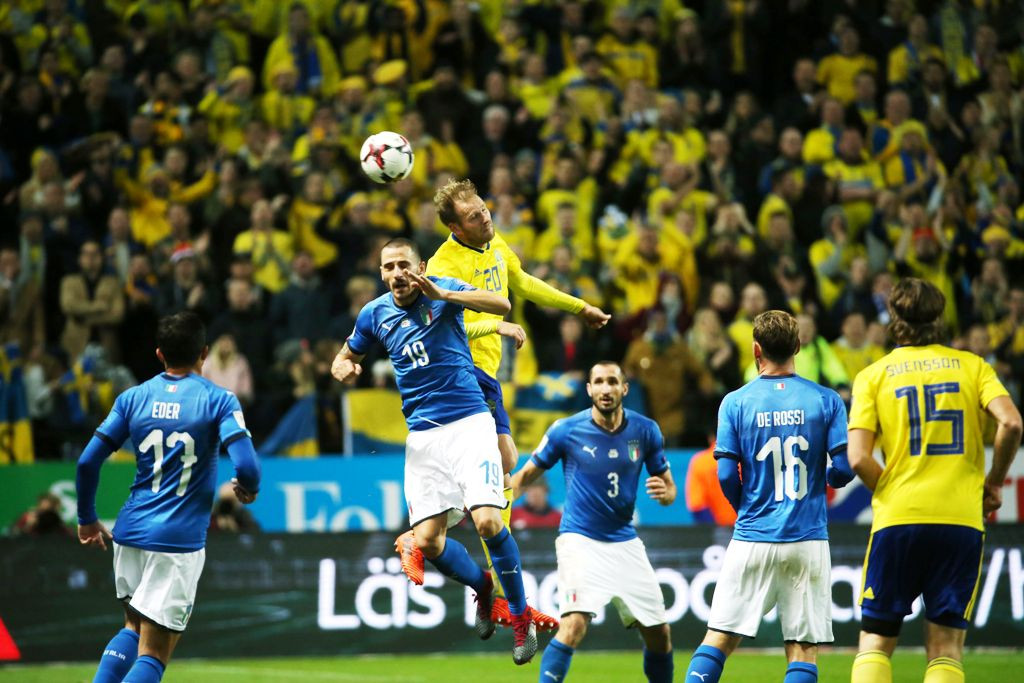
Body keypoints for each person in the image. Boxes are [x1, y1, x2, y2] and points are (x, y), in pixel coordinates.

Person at [395, 178, 609, 627]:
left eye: (485, 209)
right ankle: (486, 580)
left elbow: (524, 284)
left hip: (486, 378)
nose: (485, 217)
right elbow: (432, 331)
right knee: (501, 468)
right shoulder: (441, 265)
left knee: (507, 465)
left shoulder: (495, 245)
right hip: (458, 374)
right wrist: (493, 328)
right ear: (454, 225)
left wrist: (579, 307)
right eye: (473, 216)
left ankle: (461, 564)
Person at [329, 237, 538, 664]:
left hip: (468, 422)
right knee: (428, 542)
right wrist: (343, 367)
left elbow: (501, 303)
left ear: (419, 265)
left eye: (403, 265)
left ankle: (520, 619)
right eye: (387, 268)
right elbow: (344, 356)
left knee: (487, 523)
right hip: (423, 437)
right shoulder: (374, 313)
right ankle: (483, 589)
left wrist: (445, 293)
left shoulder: (440, 289)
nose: (395, 274)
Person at [847, 278, 1022, 683]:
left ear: (894, 317)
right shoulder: (972, 366)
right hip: (960, 518)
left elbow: (857, 458)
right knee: (945, 649)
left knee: (875, 641)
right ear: (940, 317)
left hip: (898, 518)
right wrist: (994, 482)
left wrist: (890, 489)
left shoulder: (873, 375)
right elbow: (1011, 423)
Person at [75, 311, 262, 683]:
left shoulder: (133, 398)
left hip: (130, 532)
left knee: (132, 626)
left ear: (159, 354)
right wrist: (248, 487)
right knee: (155, 651)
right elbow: (247, 465)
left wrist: (86, 518)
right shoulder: (218, 400)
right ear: (204, 353)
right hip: (177, 541)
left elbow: (86, 462)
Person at [685, 310, 853, 683]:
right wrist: (818, 479)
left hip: (752, 536)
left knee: (719, 639)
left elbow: (726, 472)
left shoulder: (735, 402)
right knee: (802, 648)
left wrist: (746, 504)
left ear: (755, 349)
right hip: (808, 538)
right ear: (797, 346)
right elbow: (844, 469)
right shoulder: (827, 400)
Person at [511, 361, 677, 683]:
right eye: (598, 382)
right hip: (580, 540)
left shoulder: (646, 431)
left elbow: (669, 488)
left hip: (625, 541)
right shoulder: (566, 430)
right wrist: (499, 506)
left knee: (660, 633)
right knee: (574, 624)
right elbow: (525, 477)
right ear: (589, 389)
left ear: (624, 389)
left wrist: (665, 493)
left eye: (612, 382)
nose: (606, 388)